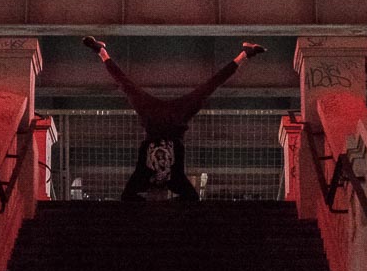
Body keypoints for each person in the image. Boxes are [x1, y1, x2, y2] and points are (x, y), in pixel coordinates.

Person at [84, 36, 264, 201]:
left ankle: (244, 55)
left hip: (166, 118)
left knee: (207, 87)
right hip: (163, 117)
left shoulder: (157, 177)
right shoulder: (161, 177)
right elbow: (130, 196)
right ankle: (101, 52)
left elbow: (130, 196)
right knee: (128, 86)